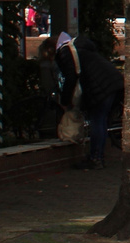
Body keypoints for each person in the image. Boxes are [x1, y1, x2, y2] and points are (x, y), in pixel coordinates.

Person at [52, 33, 122, 169]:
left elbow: (71, 78)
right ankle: (98, 156)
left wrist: (65, 100)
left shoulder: (65, 52)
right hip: (111, 82)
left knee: (97, 120)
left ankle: (95, 158)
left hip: (101, 86)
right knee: (101, 120)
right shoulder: (79, 48)